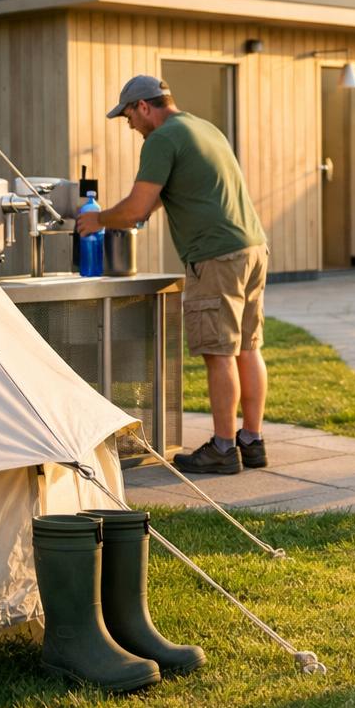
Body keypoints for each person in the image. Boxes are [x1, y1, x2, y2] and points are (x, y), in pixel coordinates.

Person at [77, 74, 269, 475]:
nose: (129, 125)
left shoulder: (161, 139)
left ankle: (221, 448)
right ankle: (250, 442)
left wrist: (97, 220)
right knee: (248, 347)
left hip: (215, 255)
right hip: (251, 246)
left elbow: (134, 208)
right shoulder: (202, 127)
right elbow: (174, 194)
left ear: (144, 107)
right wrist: (137, 214)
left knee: (219, 353)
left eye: (128, 115)